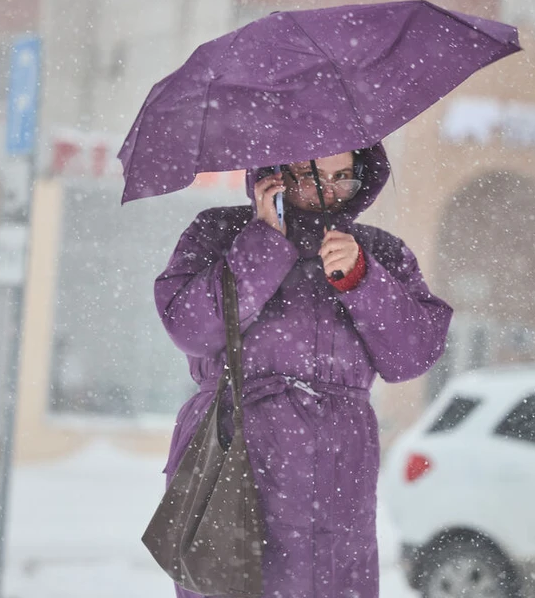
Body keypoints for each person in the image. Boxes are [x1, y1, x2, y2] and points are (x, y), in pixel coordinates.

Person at [154, 142, 452, 598]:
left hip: (337, 468)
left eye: (342, 178)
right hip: (233, 450)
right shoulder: (218, 232)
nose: (327, 192)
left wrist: (362, 277)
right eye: (309, 176)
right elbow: (191, 328)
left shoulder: (378, 251)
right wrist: (263, 243)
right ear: (275, 172)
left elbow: (412, 354)